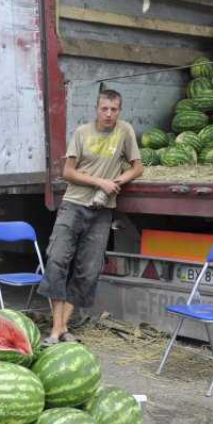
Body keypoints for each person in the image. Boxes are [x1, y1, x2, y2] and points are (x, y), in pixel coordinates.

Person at [38, 88, 144, 346]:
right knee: (57, 262)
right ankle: (58, 329)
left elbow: (138, 168)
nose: (109, 114)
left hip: (101, 211)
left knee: (88, 271)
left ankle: (60, 329)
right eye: (104, 109)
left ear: (120, 110)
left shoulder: (125, 131)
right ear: (96, 109)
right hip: (74, 205)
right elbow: (68, 172)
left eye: (114, 109)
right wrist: (99, 182)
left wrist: (116, 181)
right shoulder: (82, 133)